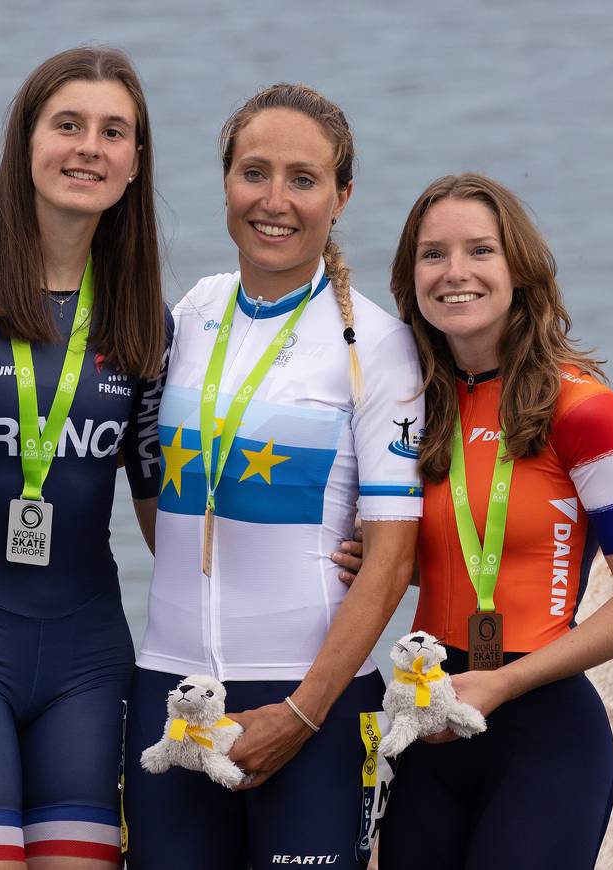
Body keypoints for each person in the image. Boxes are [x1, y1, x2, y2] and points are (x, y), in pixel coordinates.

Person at [123, 83, 424, 869]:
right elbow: (161, 491)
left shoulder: (376, 345)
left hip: (312, 701)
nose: (275, 201)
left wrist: (302, 711)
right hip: (172, 692)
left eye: (304, 178)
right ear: (225, 182)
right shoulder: (190, 313)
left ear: (342, 195)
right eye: (254, 172)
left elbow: (391, 559)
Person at [338, 173, 613, 869]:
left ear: (518, 269)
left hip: (542, 729)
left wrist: (501, 684)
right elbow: (455, 556)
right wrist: (380, 567)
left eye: (479, 251)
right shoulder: (409, 406)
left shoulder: (584, 410)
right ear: (411, 278)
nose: (454, 273)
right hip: (429, 725)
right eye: (433, 255)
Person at [0, 48, 168, 869]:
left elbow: (165, 520)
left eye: (114, 132)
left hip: (85, 659)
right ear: (25, 141)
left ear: (134, 163)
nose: (89, 148)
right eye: (68, 124)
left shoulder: (145, 324)